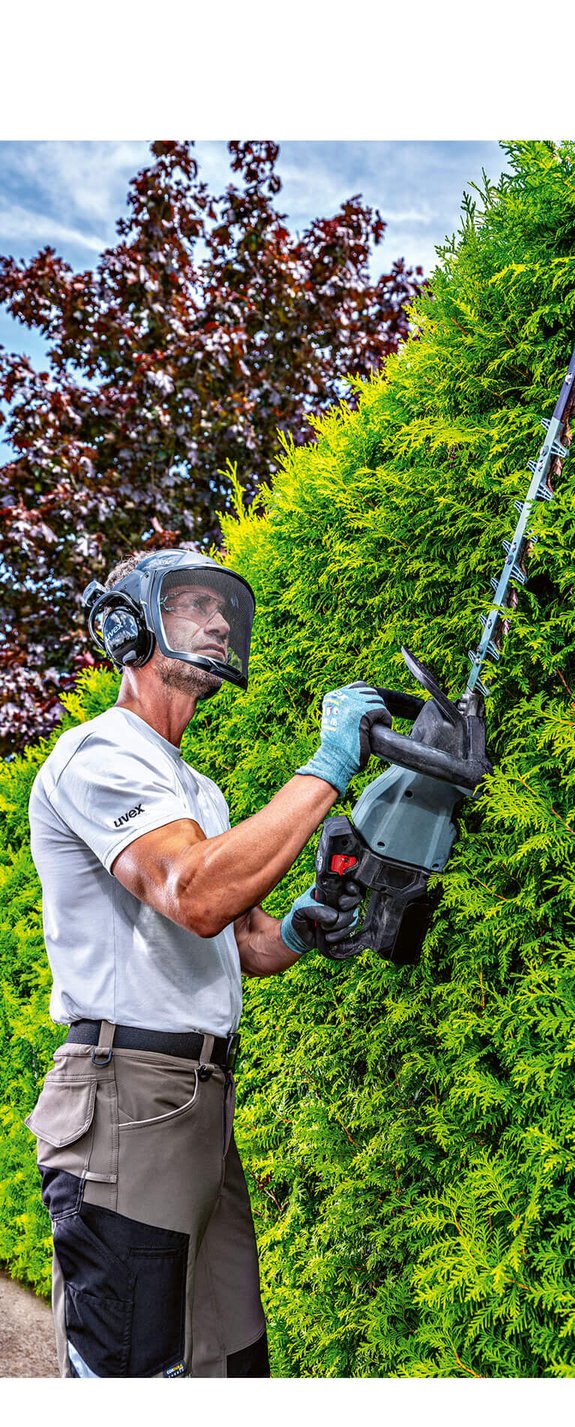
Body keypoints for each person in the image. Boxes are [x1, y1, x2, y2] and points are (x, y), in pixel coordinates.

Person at [24, 548, 390, 1377]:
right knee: (134, 1364)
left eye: (223, 609)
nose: (220, 622)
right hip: (125, 1101)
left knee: (233, 1361)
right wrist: (329, 765)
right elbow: (192, 891)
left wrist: (296, 929)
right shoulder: (100, 754)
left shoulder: (199, 789)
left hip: (201, 1102)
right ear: (128, 626)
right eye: (193, 604)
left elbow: (243, 940)